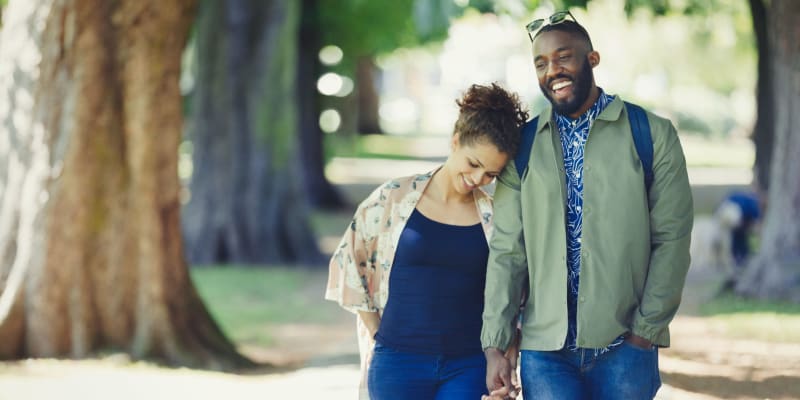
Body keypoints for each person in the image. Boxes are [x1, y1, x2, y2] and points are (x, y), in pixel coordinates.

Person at [481, 11, 694, 400]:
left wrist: (644, 335)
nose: (553, 70)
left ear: (591, 59)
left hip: (624, 348)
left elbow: (673, 240)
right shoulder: (522, 146)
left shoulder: (651, 135)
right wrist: (495, 344)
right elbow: (508, 250)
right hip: (546, 353)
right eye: (541, 63)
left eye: (564, 57)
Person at [325, 83, 528, 400]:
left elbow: (513, 291)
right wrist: (378, 332)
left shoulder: (496, 218)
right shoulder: (395, 197)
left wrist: (506, 354)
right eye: (473, 164)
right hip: (398, 364)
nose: (478, 179)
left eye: (491, 174)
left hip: (469, 367)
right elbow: (349, 260)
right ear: (456, 141)